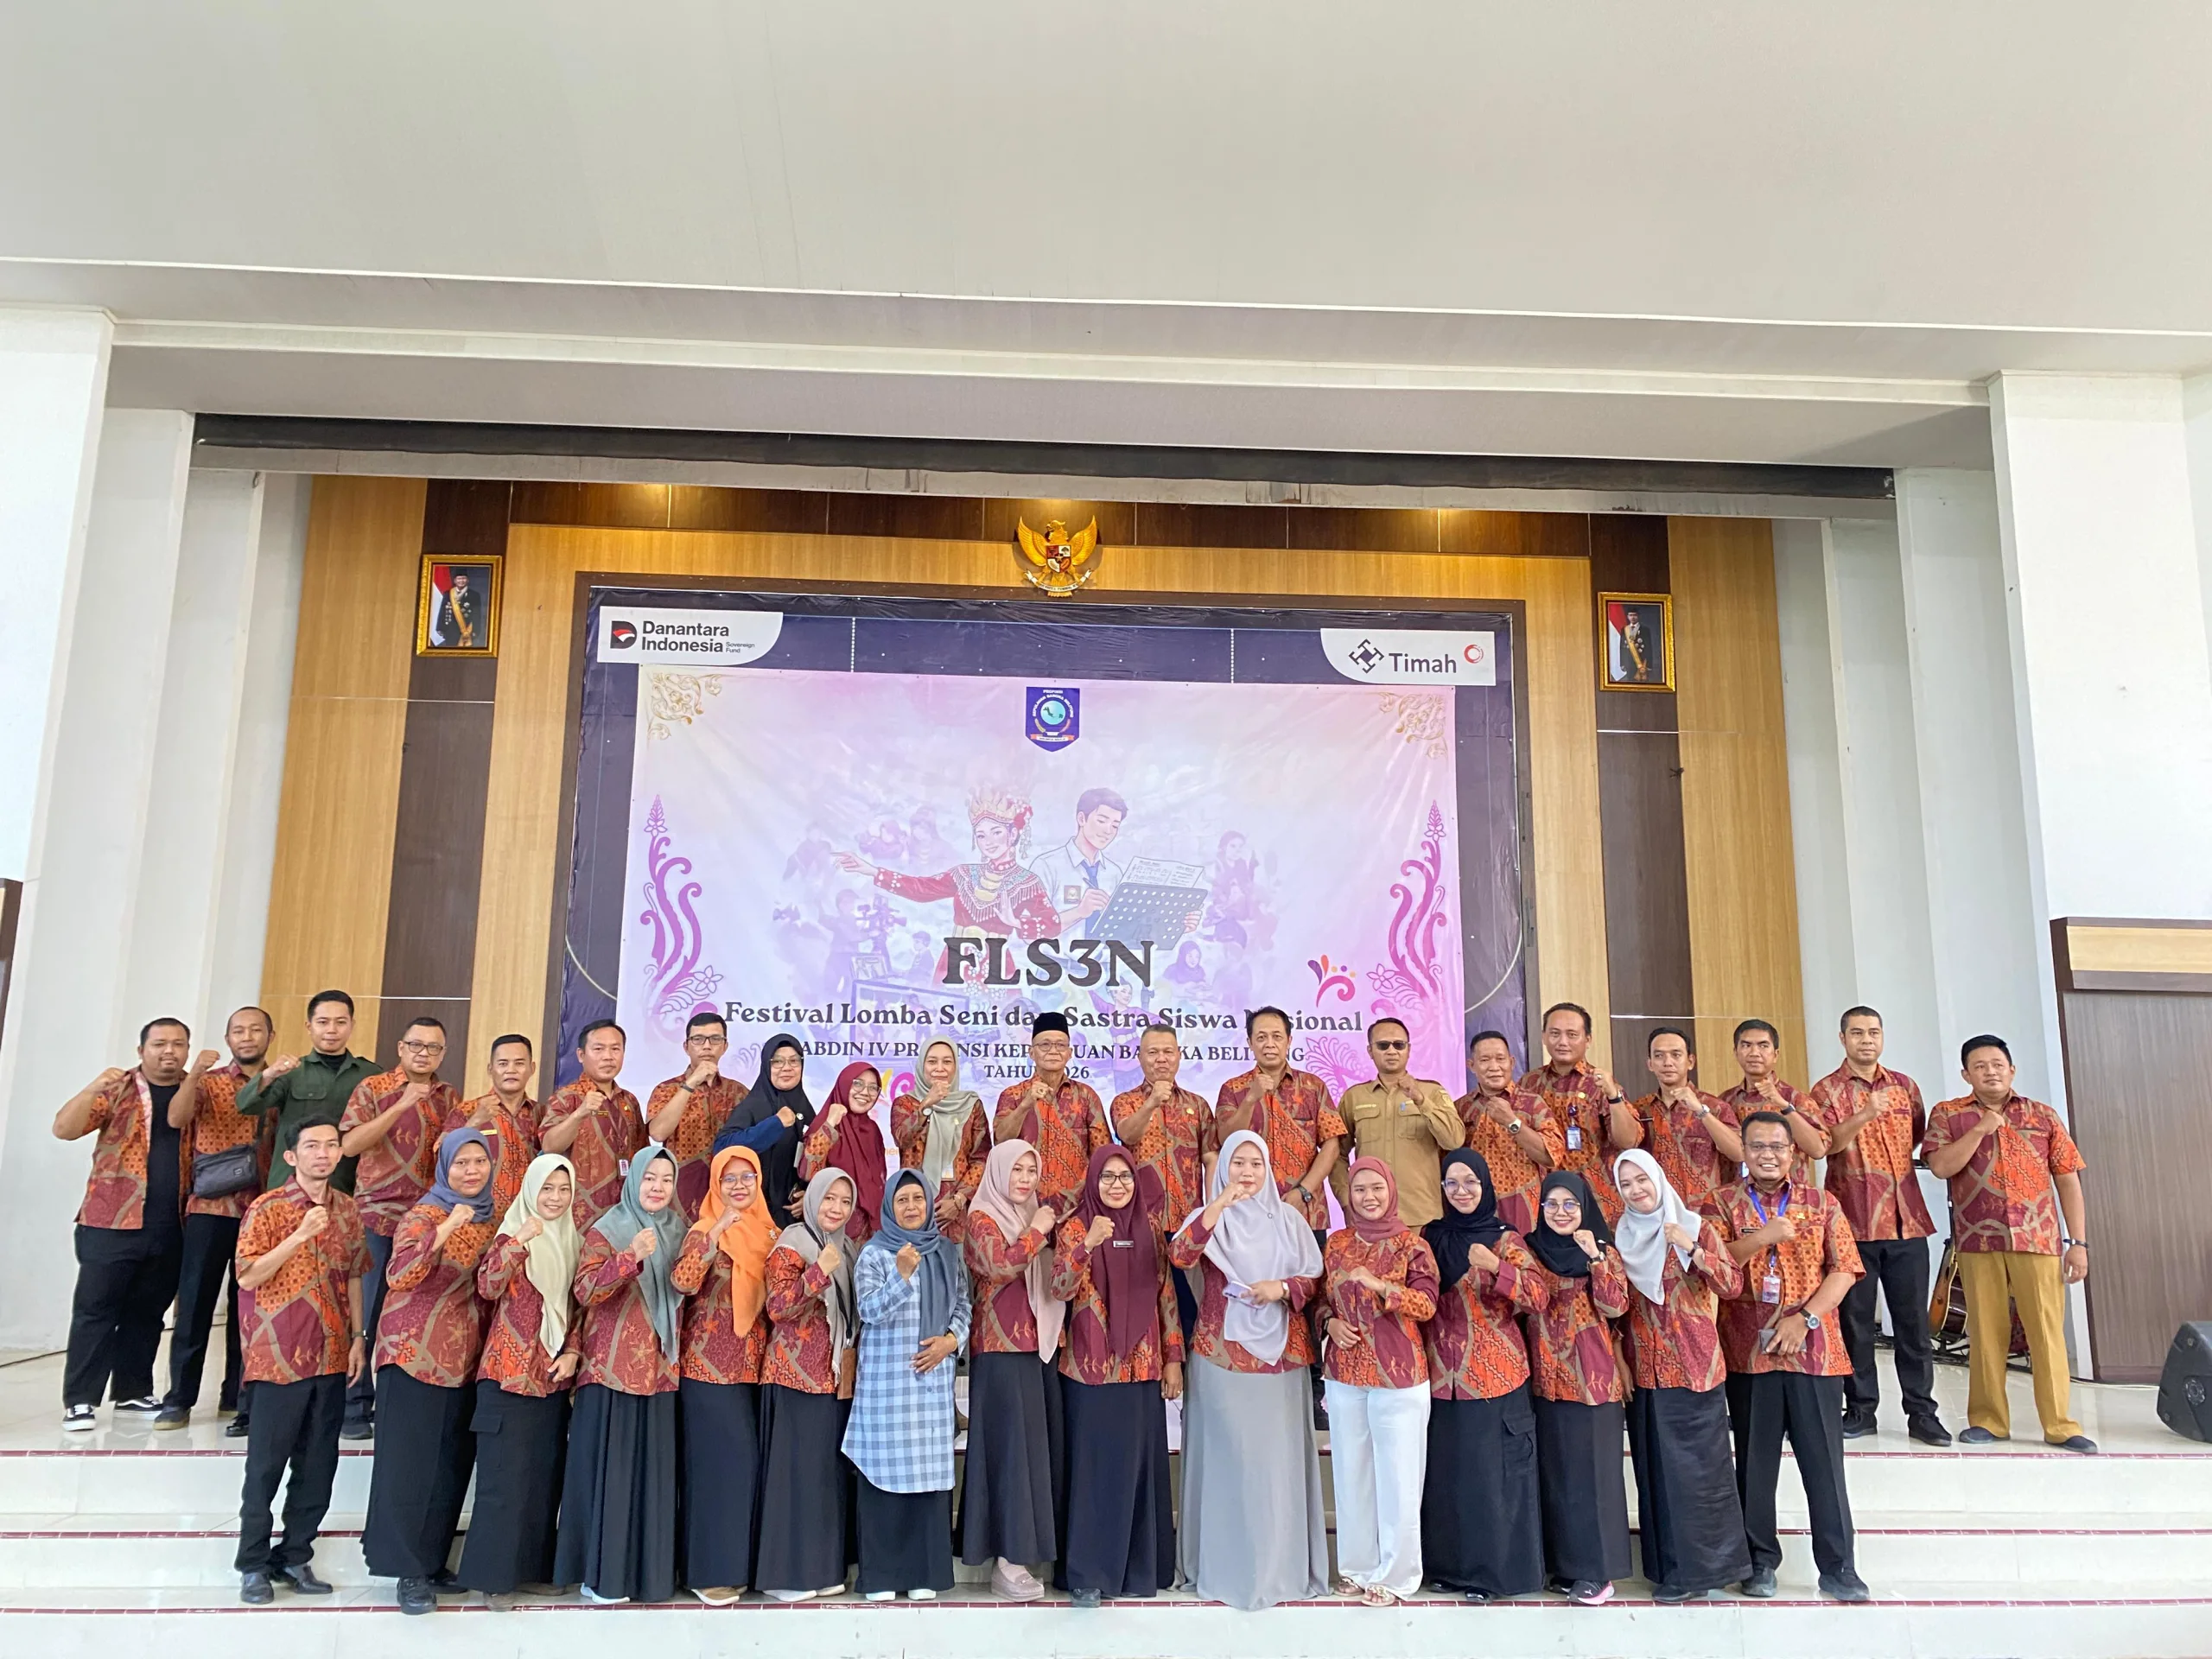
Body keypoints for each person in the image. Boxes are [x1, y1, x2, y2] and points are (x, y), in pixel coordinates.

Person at [1708, 1110, 1869, 1601]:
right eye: (1757, 1146)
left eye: (1777, 1146)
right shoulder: (1719, 1202)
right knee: (1754, 1466)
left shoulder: (1822, 1202)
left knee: (1824, 1465)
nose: (1768, 1155)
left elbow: (1844, 1269)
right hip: (1749, 1353)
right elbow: (1716, 1263)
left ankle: (1839, 1567)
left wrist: (1806, 1320)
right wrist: (1763, 1237)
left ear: (1793, 1152)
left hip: (1813, 1353)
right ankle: (1758, 1562)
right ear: (1743, 1151)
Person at [1169, 1128, 1330, 1611]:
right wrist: (1218, 1204)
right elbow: (1181, 1254)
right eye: (1237, 1163)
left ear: (1269, 1169)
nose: (1247, 1172)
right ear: (1223, 1169)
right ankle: (1223, 1568)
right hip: (1221, 1357)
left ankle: (1281, 1569)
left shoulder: (1290, 1221)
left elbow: (1314, 1279)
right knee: (1229, 1466)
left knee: (1277, 1470)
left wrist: (1281, 1290)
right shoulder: (1207, 1217)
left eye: (1256, 1164)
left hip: (1282, 1360)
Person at [1922, 1035, 2094, 1453]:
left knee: (2046, 1333)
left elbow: (2068, 1179)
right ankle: (1988, 1420)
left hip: (2038, 1239)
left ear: (2012, 1069)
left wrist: (2078, 1243)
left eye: (1997, 1064)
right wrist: (1981, 1128)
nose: (1990, 1072)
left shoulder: (2042, 1115)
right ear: (1966, 1074)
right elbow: (1941, 1166)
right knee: (1985, 1332)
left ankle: (2060, 1424)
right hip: (1978, 1241)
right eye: (1980, 1066)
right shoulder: (1948, 1114)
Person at [361, 1126, 498, 1613]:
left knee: (449, 1464)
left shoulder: (491, 1217)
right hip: (412, 1355)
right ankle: (407, 1572)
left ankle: (433, 1560)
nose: (471, 1171)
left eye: (480, 1162)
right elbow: (400, 1274)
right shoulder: (425, 1214)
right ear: (444, 1168)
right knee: (409, 1467)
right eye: (461, 1163)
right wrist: (446, 1228)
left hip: (463, 1358)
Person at [232, 1120, 367, 1604]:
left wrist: (358, 1337)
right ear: (291, 1157)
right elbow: (248, 1276)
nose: (323, 1154)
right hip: (279, 1359)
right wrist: (299, 1235)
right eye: (312, 1146)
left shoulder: (348, 1209)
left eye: (331, 1145)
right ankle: (252, 1564)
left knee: (318, 1466)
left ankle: (295, 1555)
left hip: (331, 1355)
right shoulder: (267, 1208)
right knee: (265, 1467)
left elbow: (355, 1275)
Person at [1611, 1148, 1751, 1603]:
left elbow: (1731, 1284)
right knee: (1656, 1473)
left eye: (1642, 1180)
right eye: (1626, 1184)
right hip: (1645, 1372)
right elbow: (1616, 1308)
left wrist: (1692, 1249)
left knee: (1700, 1475)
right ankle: (1666, 1569)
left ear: (1658, 1180)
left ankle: (1705, 1571)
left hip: (1694, 1368)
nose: (1636, 1190)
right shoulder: (1621, 1235)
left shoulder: (1695, 1226)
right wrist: (1619, 1360)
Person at [1805, 1005, 1947, 1444]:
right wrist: (1865, 1114)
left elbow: (1918, 1137)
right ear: (1842, 1038)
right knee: (1856, 1324)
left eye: (1873, 1032)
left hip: (1907, 1223)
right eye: (1857, 1033)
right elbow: (1825, 1146)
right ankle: (1861, 1409)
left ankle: (1922, 1413)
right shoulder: (1825, 1090)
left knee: (1913, 1326)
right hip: (1853, 1225)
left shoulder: (1906, 1086)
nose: (1866, 1040)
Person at [1052, 1144, 1183, 1606]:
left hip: (1142, 1368)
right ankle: (1087, 1574)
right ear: (1093, 1181)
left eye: (1125, 1177)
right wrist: (1087, 1244)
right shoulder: (1075, 1227)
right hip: (1090, 1371)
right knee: (1093, 1474)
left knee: (1137, 1470)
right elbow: (1059, 1287)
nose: (1117, 1185)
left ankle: (1137, 1570)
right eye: (1107, 1177)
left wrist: (1173, 1358)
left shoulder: (1150, 1228)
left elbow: (1166, 1295)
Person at [556, 1143, 685, 1603]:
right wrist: (628, 1256)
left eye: (666, 1180)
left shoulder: (678, 1229)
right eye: (649, 1178)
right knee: (612, 1478)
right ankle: (603, 1578)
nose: (658, 1188)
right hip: (611, 1371)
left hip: (661, 1373)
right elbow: (585, 1291)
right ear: (634, 1180)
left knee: (652, 1481)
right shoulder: (608, 1228)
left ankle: (650, 1579)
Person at [54, 1017, 194, 1431]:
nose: (169, 1051)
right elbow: (64, 1129)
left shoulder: (197, 1090)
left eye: (178, 1044)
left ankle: (133, 1392)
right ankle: (80, 1400)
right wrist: (91, 1089)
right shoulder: (118, 1087)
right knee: (95, 1311)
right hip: (110, 1221)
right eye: (159, 1044)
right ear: (141, 1050)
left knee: (148, 1313)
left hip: (172, 1223)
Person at [1419, 1150, 1546, 1601]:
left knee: (1492, 1479)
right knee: (1448, 1475)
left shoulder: (1505, 1238)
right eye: (1452, 1183)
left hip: (1494, 1374)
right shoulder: (1431, 1236)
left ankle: (1492, 1576)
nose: (1462, 1191)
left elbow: (1538, 1297)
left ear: (1485, 1185)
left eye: (1470, 1181)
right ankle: (1448, 1568)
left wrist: (1496, 1267)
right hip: (1439, 1375)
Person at [456, 1152, 582, 1597]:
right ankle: (494, 1582)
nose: (555, 1198)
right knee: (503, 1482)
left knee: (543, 1480)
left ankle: (533, 1572)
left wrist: (574, 1350)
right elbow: (488, 1286)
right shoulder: (511, 1232)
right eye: (547, 1189)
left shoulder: (573, 1240)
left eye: (564, 1190)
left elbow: (580, 1307)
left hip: (551, 1378)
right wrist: (519, 1241)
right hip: (507, 1376)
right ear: (530, 1190)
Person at [1317, 1159, 1440, 1605]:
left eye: (1376, 1188)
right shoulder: (1336, 1244)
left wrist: (1382, 1287)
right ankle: (1357, 1567)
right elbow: (1320, 1300)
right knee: (1351, 1473)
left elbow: (1427, 1304)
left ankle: (1396, 1575)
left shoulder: (1413, 1245)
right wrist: (1328, 1323)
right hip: (1345, 1373)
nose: (1368, 1197)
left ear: (1391, 1191)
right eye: (1360, 1189)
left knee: (1398, 1477)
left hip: (1398, 1376)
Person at [1212, 1006, 1344, 1420]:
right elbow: (1223, 1139)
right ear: (1249, 1043)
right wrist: (1253, 1097)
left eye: (1276, 1036)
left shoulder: (1313, 1086)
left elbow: (1332, 1144)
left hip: (1303, 1212)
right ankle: (1257, 1374)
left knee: (1306, 1293)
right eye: (1261, 1037)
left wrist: (1304, 1192)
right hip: (1248, 1218)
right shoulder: (1235, 1088)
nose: (1269, 1044)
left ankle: (1314, 1388)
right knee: (1256, 1292)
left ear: (1289, 1040)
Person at [845, 1168, 971, 1601]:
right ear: (890, 1207)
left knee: (927, 1483)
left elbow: (963, 1305)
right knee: (884, 1479)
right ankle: (881, 1577)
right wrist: (900, 1276)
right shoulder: (875, 1254)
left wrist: (951, 1341)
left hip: (932, 1387)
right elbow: (868, 1311)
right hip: (887, 1389)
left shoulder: (947, 1253)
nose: (912, 1207)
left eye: (918, 1198)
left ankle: (923, 1575)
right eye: (902, 1200)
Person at [337, 1014, 461, 1439]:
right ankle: (354, 1405)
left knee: (415, 1314)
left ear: (443, 1053)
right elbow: (349, 1145)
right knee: (367, 1313)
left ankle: (397, 1404)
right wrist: (402, 1104)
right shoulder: (373, 1088)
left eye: (433, 1048)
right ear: (401, 1048)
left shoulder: (448, 1096)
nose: (424, 1054)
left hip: (427, 1220)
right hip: (377, 1216)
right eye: (416, 1045)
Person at [670, 1145, 779, 1605]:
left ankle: (737, 1567)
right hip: (707, 1369)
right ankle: (705, 1571)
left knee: (743, 1469)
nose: (738, 1186)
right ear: (716, 1184)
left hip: (752, 1370)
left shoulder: (771, 1232)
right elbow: (682, 1281)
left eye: (746, 1177)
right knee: (714, 1470)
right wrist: (715, 1233)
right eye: (729, 1178)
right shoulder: (702, 1229)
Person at [159, 1007, 273, 1433]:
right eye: (238, 1031)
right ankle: (179, 1399)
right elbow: (176, 1118)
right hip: (210, 1208)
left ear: (270, 1036)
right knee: (195, 1306)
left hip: (262, 1210)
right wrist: (193, 1074)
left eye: (256, 1030)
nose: (247, 1037)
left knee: (249, 1308)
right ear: (228, 1039)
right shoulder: (210, 1082)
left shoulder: (280, 1081)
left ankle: (237, 1398)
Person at [1521, 1170, 1633, 1605]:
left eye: (1570, 1204)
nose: (1561, 1212)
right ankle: (1567, 1567)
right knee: (1558, 1476)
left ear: (1584, 1207)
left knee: (1594, 1480)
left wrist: (1595, 1258)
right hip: (1545, 1380)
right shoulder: (1531, 1249)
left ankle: (1597, 1573)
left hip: (1592, 1382)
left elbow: (1615, 1306)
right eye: (1552, 1204)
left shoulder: (1602, 1249)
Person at [960, 1140, 1065, 1599]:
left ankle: (1023, 1553)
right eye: (1016, 1170)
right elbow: (999, 1265)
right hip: (1001, 1348)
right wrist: (1038, 1231)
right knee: (1008, 1454)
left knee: (1032, 1454)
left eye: (1031, 1170)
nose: (1024, 1179)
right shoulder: (982, 1217)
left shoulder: (1033, 1214)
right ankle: (1006, 1560)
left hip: (1039, 1346)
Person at [756, 1167, 859, 1600]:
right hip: (794, 1377)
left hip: (833, 1380)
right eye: (828, 1199)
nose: (836, 1208)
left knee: (824, 1480)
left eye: (845, 1201)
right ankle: (785, 1577)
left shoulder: (847, 1246)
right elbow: (778, 1307)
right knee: (793, 1480)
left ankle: (820, 1570)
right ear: (813, 1199)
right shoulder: (792, 1242)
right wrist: (817, 1273)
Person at [840, 785, 1058, 941]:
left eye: (996, 832)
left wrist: (1017, 923)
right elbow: (921, 889)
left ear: (1013, 834)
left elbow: (1053, 925)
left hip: (997, 970)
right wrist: (873, 871)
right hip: (954, 966)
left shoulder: (1027, 882)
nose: (988, 842)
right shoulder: (964, 874)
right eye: (981, 835)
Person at [1109, 1023, 1212, 1337]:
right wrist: (1152, 1102)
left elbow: (1211, 1158)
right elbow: (1127, 1134)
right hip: (1140, 1224)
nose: (1161, 1059)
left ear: (1179, 1056)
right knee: (1145, 1315)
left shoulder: (1198, 1105)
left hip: (1187, 1226)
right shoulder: (1125, 1102)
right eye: (1153, 1052)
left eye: (1168, 1052)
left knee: (1191, 1312)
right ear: (1140, 1058)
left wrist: (1212, 1214)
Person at [237, 990, 377, 1192]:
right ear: (309, 1027)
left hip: (345, 1186)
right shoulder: (291, 1072)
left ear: (352, 1025)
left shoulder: (370, 1074)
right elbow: (246, 1106)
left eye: (340, 1022)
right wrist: (269, 1074)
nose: (332, 1030)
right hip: (290, 1185)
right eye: (323, 1022)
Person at [1331, 1019, 1463, 1229]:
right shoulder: (1354, 1097)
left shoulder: (1432, 1092)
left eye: (1399, 1045)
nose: (1391, 1051)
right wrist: (1347, 1202)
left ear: (1408, 1050)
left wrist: (1421, 1100)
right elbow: (1336, 1153)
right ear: (1370, 1051)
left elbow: (1454, 1141)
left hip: (1422, 1218)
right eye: (1383, 1045)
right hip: (1371, 1218)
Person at [1516, 1003, 1637, 1224]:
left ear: (1587, 1040)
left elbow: (1629, 1141)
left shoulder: (1600, 1083)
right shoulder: (1528, 1084)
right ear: (1544, 1037)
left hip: (1595, 1201)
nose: (1562, 1042)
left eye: (1572, 1035)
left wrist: (1613, 1096)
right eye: (1555, 1034)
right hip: (1544, 1202)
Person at [995, 1011, 1109, 1211]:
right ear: (1031, 1053)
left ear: (1069, 1053)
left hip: (1077, 1208)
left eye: (1060, 1045)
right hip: (1021, 1205)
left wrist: (1090, 1202)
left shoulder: (1086, 1096)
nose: (1053, 1051)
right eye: (1045, 1045)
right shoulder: (1013, 1095)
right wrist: (1025, 1105)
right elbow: (1000, 1142)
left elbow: (1102, 1154)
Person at [537, 1020, 643, 1231]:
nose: (608, 1057)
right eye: (598, 1049)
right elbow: (549, 1146)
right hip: (579, 1215)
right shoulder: (567, 1097)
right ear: (581, 1055)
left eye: (615, 1049)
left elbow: (641, 1155)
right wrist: (579, 1114)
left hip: (623, 1214)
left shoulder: (629, 1101)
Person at [1452, 1030, 1561, 1236]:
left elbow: (1551, 1156)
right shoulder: (1460, 1108)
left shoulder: (1532, 1103)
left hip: (1523, 1203)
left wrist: (1512, 1122)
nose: (1494, 1067)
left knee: (1523, 1253)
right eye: (1485, 1060)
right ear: (1471, 1066)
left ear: (1511, 1062)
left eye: (1500, 1059)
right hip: (1473, 1206)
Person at [1626, 1026, 1745, 1211]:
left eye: (1676, 1055)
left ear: (1690, 1061)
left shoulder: (1715, 1106)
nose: (1667, 1062)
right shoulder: (1640, 1110)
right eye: (1659, 1056)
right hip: (1657, 1211)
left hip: (1706, 1212)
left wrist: (1701, 1111)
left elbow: (1739, 1153)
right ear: (1650, 1064)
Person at [892, 1037, 992, 1238]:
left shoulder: (971, 1104)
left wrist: (959, 1200)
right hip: (916, 1207)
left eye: (947, 1061)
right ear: (922, 1066)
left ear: (955, 1067)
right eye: (932, 1062)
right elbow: (903, 1139)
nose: (940, 1068)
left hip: (958, 1213)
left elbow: (981, 1158)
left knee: (956, 1257)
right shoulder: (906, 1104)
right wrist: (926, 1105)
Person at [645, 1009, 740, 1218]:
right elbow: (658, 1133)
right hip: (680, 1198)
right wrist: (691, 1083)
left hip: (727, 1196)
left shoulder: (738, 1092)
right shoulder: (666, 1090)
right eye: (698, 1039)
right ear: (686, 1047)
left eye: (715, 1039)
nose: (707, 1046)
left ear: (725, 1046)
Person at [713, 1033, 817, 1221]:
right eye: (777, 1062)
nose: (787, 1067)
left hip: (793, 1215)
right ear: (766, 1066)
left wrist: (809, 1195)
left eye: (794, 1061)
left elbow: (815, 1159)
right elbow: (722, 1147)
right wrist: (774, 1124)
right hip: (753, 1212)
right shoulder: (753, 1105)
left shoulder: (805, 1107)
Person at [445, 1033, 540, 1217]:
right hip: (477, 1216)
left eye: (519, 1063)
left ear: (532, 1068)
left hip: (527, 1218)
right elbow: (442, 1157)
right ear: (490, 1069)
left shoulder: (541, 1113)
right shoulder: (467, 1110)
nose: (511, 1070)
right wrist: (475, 1122)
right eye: (503, 1064)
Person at [1719, 1018, 1828, 1173]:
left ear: (1775, 1054)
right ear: (1736, 1052)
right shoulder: (1725, 1101)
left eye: (1763, 1046)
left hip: (1789, 1188)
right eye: (1746, 1045)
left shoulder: (1795, 1098)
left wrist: (1784, 1107)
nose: (1754, 1053)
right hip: (1738, 1188)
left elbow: (1818, 1150)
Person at [802, 1061, 891, 1241]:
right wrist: (831, 1123)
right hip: (831, 1227)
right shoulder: (825, 1125)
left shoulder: (872, 1130)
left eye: (873, 1088)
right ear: (844, 1084)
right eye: (857, 1083)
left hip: (868, 1231)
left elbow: (878, 1181)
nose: (865, 1092)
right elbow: (809, 1171)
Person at [1032, 786, 1130, 935]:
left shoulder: (1114, 873)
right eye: (1102, 821)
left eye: (1115, 826)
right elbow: (1031, 931)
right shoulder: (1046, 866)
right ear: (1081, 819)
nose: (1108, 831)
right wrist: (1079, 912)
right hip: (1058, 951)